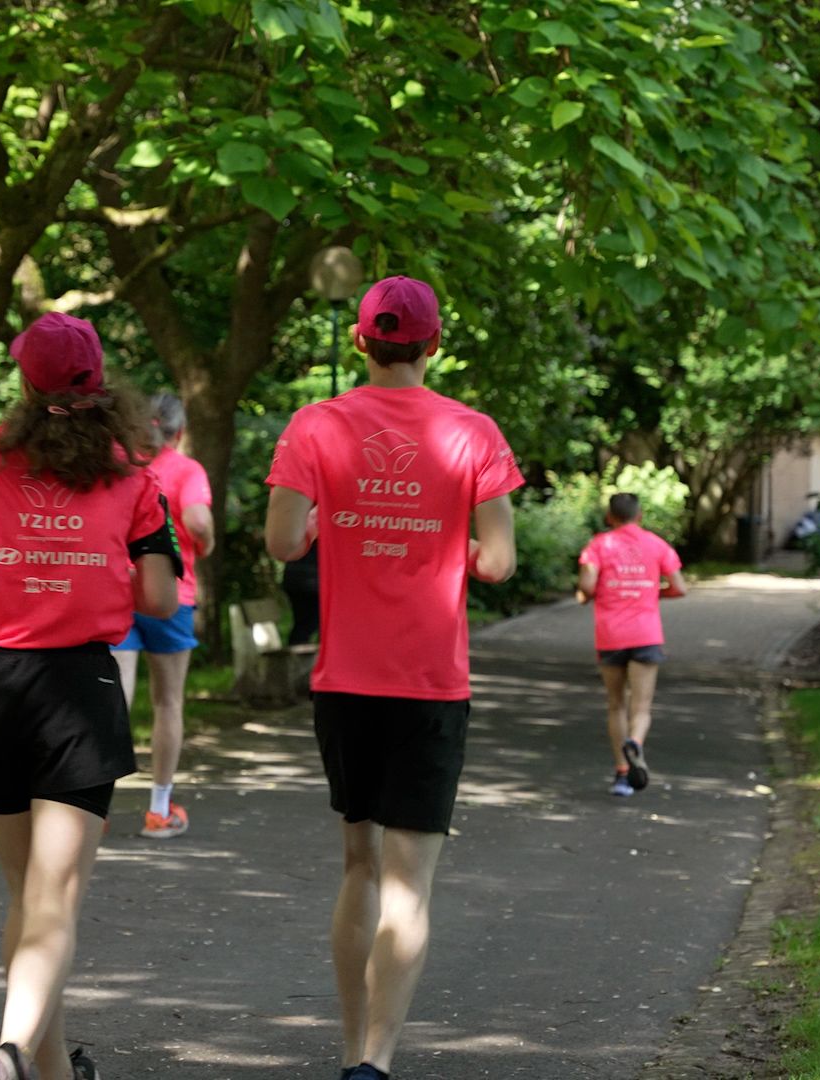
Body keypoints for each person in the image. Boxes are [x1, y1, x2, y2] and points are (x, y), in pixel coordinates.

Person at [0, 311, 180, 1080]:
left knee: (28, 896)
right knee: (52, 899)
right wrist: (92, 571)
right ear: (101, 384)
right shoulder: (134, 475)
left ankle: (48, 1071)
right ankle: (13, 1049)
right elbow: (161, 596)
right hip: (78, 690)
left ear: (25, 383)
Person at [264, 275, 522, 1080]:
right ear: (433, 343)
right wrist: (454, 547)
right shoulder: (473, 433)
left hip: (346, 679)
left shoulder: (315, 425)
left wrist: (325, 525)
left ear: (360, 340)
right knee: (410, 886)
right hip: (430, 682)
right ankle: (374, 1064)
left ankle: (349, 1048)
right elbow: (500, 563)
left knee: (359, 865)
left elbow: (282, 542)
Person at [111, 391, 215, 839]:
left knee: (113, 697)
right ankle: (158, 809)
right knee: (167, 702)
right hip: (171, 593)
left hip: (118, 590)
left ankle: (92, 807)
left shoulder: (119, 465)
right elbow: (198, 522)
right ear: (180, 431)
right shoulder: (186, 470)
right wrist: (204, 545)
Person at [576, 492, 687, 798]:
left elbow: (587, 586)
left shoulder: (599, 545)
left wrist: (589, 593)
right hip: (646, 634)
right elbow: (679, 587)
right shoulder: (657, 544)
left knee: (616, 704)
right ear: (640, 516)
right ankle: (635, 743)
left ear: (610, 517)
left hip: (611, 635)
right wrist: (654, 592)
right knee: (642, 706)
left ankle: (622, 774)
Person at [281, 540, 322, 645]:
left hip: (296, 578)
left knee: (303, 625)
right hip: (313, 581)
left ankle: (297, 650)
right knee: (308, 625)